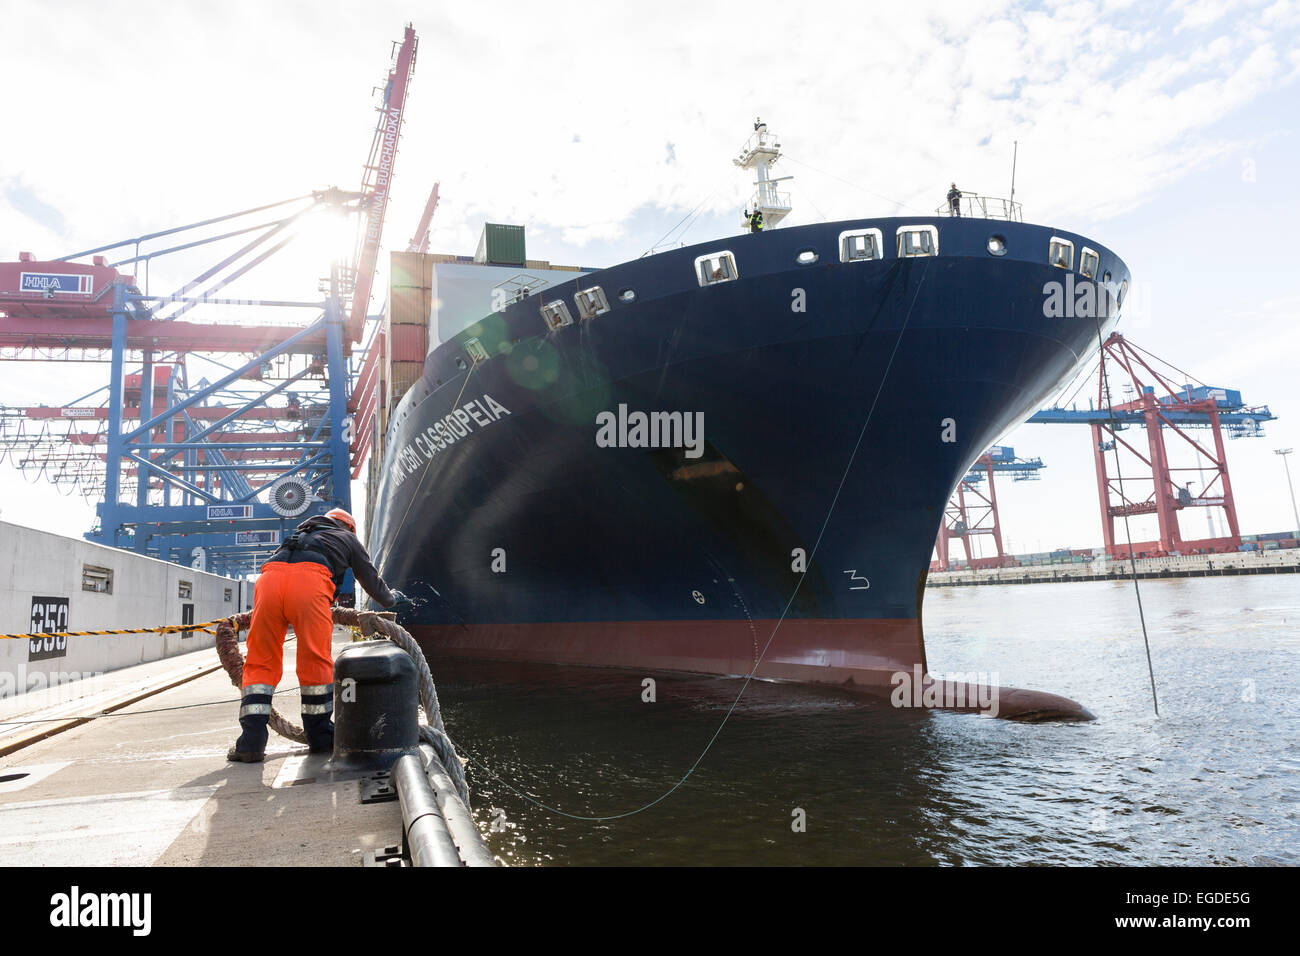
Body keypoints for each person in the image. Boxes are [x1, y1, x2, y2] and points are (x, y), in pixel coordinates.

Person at [228, 507, 407, 762]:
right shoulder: (348, 538)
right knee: (315, 661)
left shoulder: (298, 535)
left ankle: (250, 745)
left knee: (259, 664)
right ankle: (320, 738)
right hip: (310, 585)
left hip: (268, 583)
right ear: (350, 528)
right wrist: (392, 600)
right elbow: (372, 582)